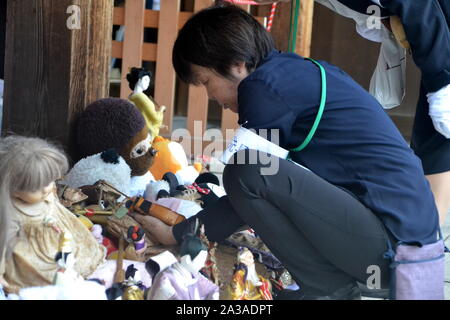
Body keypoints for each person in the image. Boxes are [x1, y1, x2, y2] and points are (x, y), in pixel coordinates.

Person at [133, 5, 440, 299]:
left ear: (236, 64)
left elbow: (247, 184)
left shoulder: (263, 87)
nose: (213, 98)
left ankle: (328, 291)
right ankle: (327, 288)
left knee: (245, 170)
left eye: (205, 83)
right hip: (405, 246)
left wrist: (178, 235)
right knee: (252, 171)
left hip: (394, 250)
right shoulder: (289, 74)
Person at [253, 0, 450, 225]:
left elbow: (417, 5)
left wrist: (441, 78)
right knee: (434, 144)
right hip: (436, 34)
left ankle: (423, 241)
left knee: (436, 141)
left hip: (440, 34)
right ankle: (426, 239)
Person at [0, 135, 151, 295]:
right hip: (39, 265)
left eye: (49, 181)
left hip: (71, 243)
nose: (45, 189)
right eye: (35, 187)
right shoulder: (10, 211)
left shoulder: (48, 194)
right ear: (13, 189)